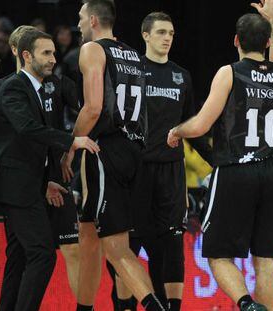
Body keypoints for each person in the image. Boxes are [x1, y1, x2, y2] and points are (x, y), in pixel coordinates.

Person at [167, 1, 273, 310]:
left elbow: (201, 124)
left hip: (236, 170)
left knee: (216, 253)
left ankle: (248, 305)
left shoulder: (229, 73)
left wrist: (176, 131)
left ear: (236, 40)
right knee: (265, 260)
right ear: (266, 43)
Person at [0, 24, 84, 304]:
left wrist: (53, 174)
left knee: (19, 255)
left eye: (54, 52)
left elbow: (72, 114)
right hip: (14, 182)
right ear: (23, 54)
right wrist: (72, 142)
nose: (54, 58)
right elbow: (23, 127)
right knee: (41, 253)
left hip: (36, 179)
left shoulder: (52, 85)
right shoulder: (10, 86)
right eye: (47, 53)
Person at [61, 1, 167, 310]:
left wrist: (70, 144)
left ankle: (154, 307)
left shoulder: (93, 50)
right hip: (134, 148)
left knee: (116, 249)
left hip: (107, 148)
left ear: (93, 20)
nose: (78, 24)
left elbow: (94, 107)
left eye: (81, 18)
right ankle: (85, 307)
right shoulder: (133, 54)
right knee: (88, 233)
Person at [113, 11, 212, 311]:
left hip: (171, 172)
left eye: (171, 33)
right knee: (129, 246)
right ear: (145, 35)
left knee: (170, 248)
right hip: (136, 172)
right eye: (161, 32)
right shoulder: (130, 71)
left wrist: (219, 161)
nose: (167, 38)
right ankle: (126, 307)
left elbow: (192, 127)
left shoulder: (182, 75)